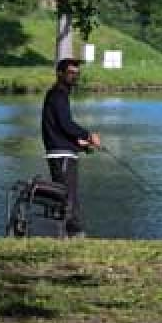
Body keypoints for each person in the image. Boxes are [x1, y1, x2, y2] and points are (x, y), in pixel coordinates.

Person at [41, 58, 99, 237]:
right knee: (68, 195)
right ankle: (75, 233)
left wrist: (79, 145)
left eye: (77, 73)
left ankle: (66, 234)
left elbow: (60, 129)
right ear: (60, 74)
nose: (75, 77)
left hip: (63, 152)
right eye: (71, 73)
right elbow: (66, 124)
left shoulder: (58, 94)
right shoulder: (58, 94)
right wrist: (88, 135)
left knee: (66, 194)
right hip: (60, 155)